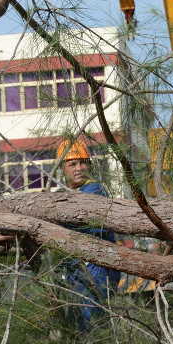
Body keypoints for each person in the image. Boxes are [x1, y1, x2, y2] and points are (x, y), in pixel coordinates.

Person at [57, 138, 120, 331]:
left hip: (97, 266)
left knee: (94, 325)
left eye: (83, 162)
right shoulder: (63, 193)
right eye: (72, 164)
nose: (78, 168)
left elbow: (83, 225)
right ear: (62, 168)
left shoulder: (94, 190)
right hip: (75, 268)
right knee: (77, 326)